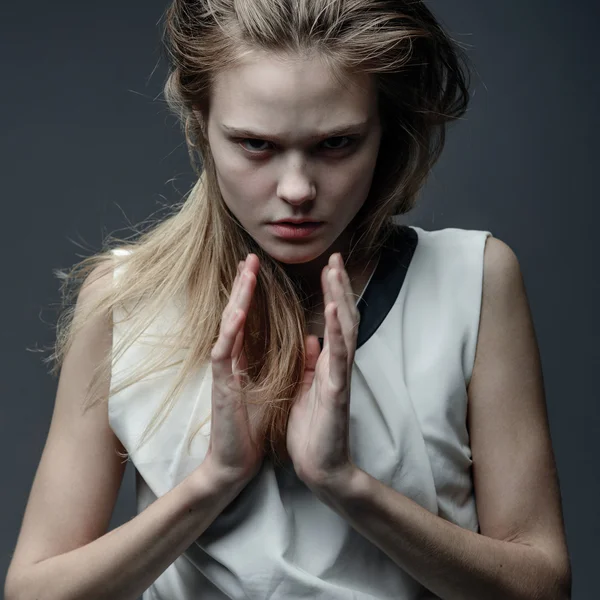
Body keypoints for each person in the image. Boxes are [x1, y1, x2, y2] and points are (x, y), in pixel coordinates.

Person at [5, 1, 572, 599]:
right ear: (201, 124)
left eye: (336, 143)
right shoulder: (125, 302)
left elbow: (541, 586)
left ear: (386, 131)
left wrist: (344, 483)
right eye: (255, 144)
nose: (297, 189)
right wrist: (212, 482)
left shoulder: (473, 280)